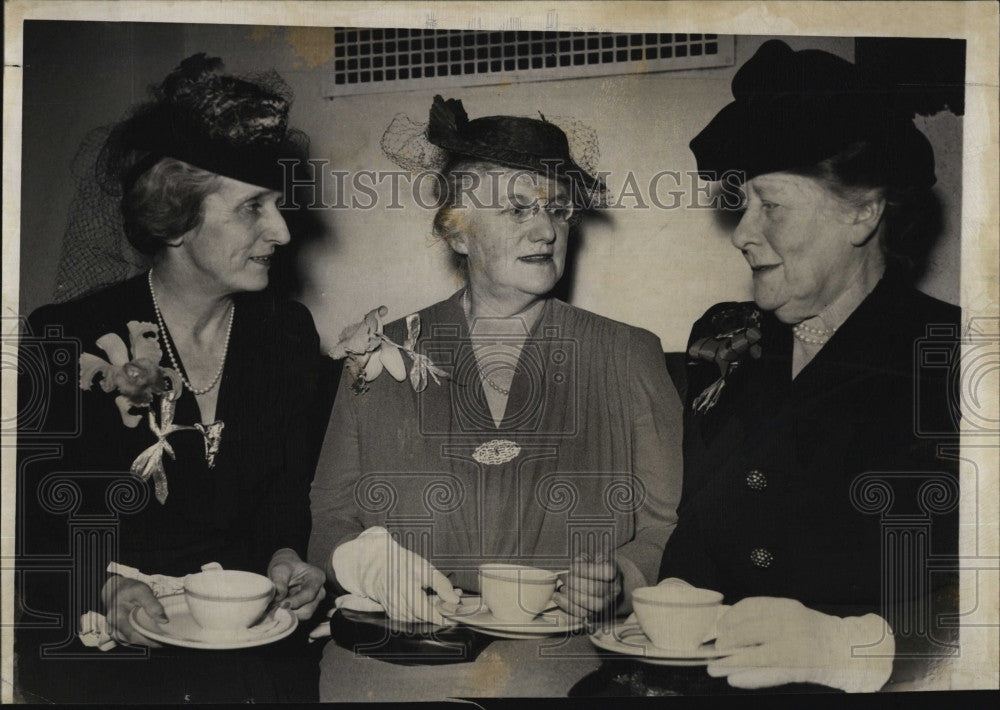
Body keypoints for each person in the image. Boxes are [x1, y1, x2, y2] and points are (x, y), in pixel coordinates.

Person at [15, 54, 327, 703]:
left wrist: (283, 560)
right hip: (108, 660)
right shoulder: (68, 339)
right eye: (252, 209)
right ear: (175, 218)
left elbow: (281, 497)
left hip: (241, 651)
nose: (281, 228)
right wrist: (104, 585)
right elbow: (34, 526)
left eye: (279, 205)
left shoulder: (287, 335)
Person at [308, 96, 683, 632]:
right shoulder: (379, 350)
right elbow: (330, 516)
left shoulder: (628, 355)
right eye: (517, 209)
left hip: (570, 656)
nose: (547, 231)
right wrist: (361, 565)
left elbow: (667, 529)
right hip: (412, 651)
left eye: (557, 209)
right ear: (459, 232)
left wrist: (622, 581)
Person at [657, 40, 961, 693]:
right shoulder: (722, 341)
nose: (742, 232)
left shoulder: (958, 354)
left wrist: (856, 647)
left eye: (773, 206)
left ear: (863, 212)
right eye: (744, 205)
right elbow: (696, 537)